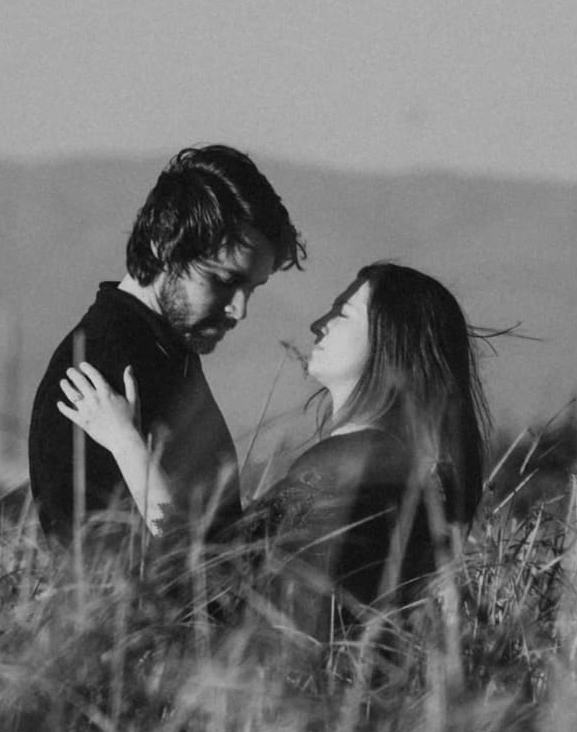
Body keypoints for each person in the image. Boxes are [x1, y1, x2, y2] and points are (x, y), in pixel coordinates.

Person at [57, 261, 490, 629]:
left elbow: (202, 579)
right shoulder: (399, 462)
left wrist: (124, 441)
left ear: (389, 340)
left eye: (342, 312)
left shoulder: (350, 462)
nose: (318, 324)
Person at [27, 145, 304, 545]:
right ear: (163, 247)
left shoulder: (161, 349)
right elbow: (113, 569)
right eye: (224, 282)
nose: (239, 311)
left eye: (252, 288)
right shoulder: (102, 372)